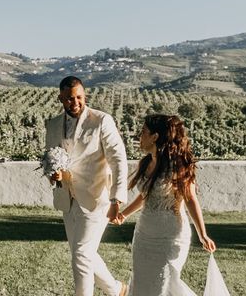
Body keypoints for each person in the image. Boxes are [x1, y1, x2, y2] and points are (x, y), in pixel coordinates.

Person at [45, 76, 129, 296]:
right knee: (82, 253)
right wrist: (52, 175)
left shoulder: (101, 120)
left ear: (84, 95)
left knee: (82, 255)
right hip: (66, 197)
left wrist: (116, 199)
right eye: (70, 99)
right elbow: (50, 158)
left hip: (96, 197)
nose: (75, 103)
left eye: (79, 97)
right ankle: (116, 289)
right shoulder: (53, 125)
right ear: (60, 98)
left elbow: (118, 159)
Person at [115, 114, 216, 296]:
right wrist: (124, 214)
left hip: (170, 237)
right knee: (141, 285)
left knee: (164, 285)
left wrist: (203, 234)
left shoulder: (178, 165)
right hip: (144, 236)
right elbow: (146, 195)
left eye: (143, 132)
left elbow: (191, 199)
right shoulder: (146, 162)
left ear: (155, 137)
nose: (139, 136)